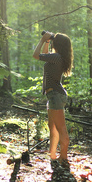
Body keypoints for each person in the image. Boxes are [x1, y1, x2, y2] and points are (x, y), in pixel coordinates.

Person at [33, 31, 73, 165]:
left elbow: (36, 55)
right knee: (52, 127)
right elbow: (45, 55)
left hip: (55, 95)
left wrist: (42, 40)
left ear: (58, 44)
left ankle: (64, 158)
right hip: (53, 96)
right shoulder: (57, 57)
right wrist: (47, 41)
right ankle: (53, 155)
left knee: (61, 128)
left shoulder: (57, 57)